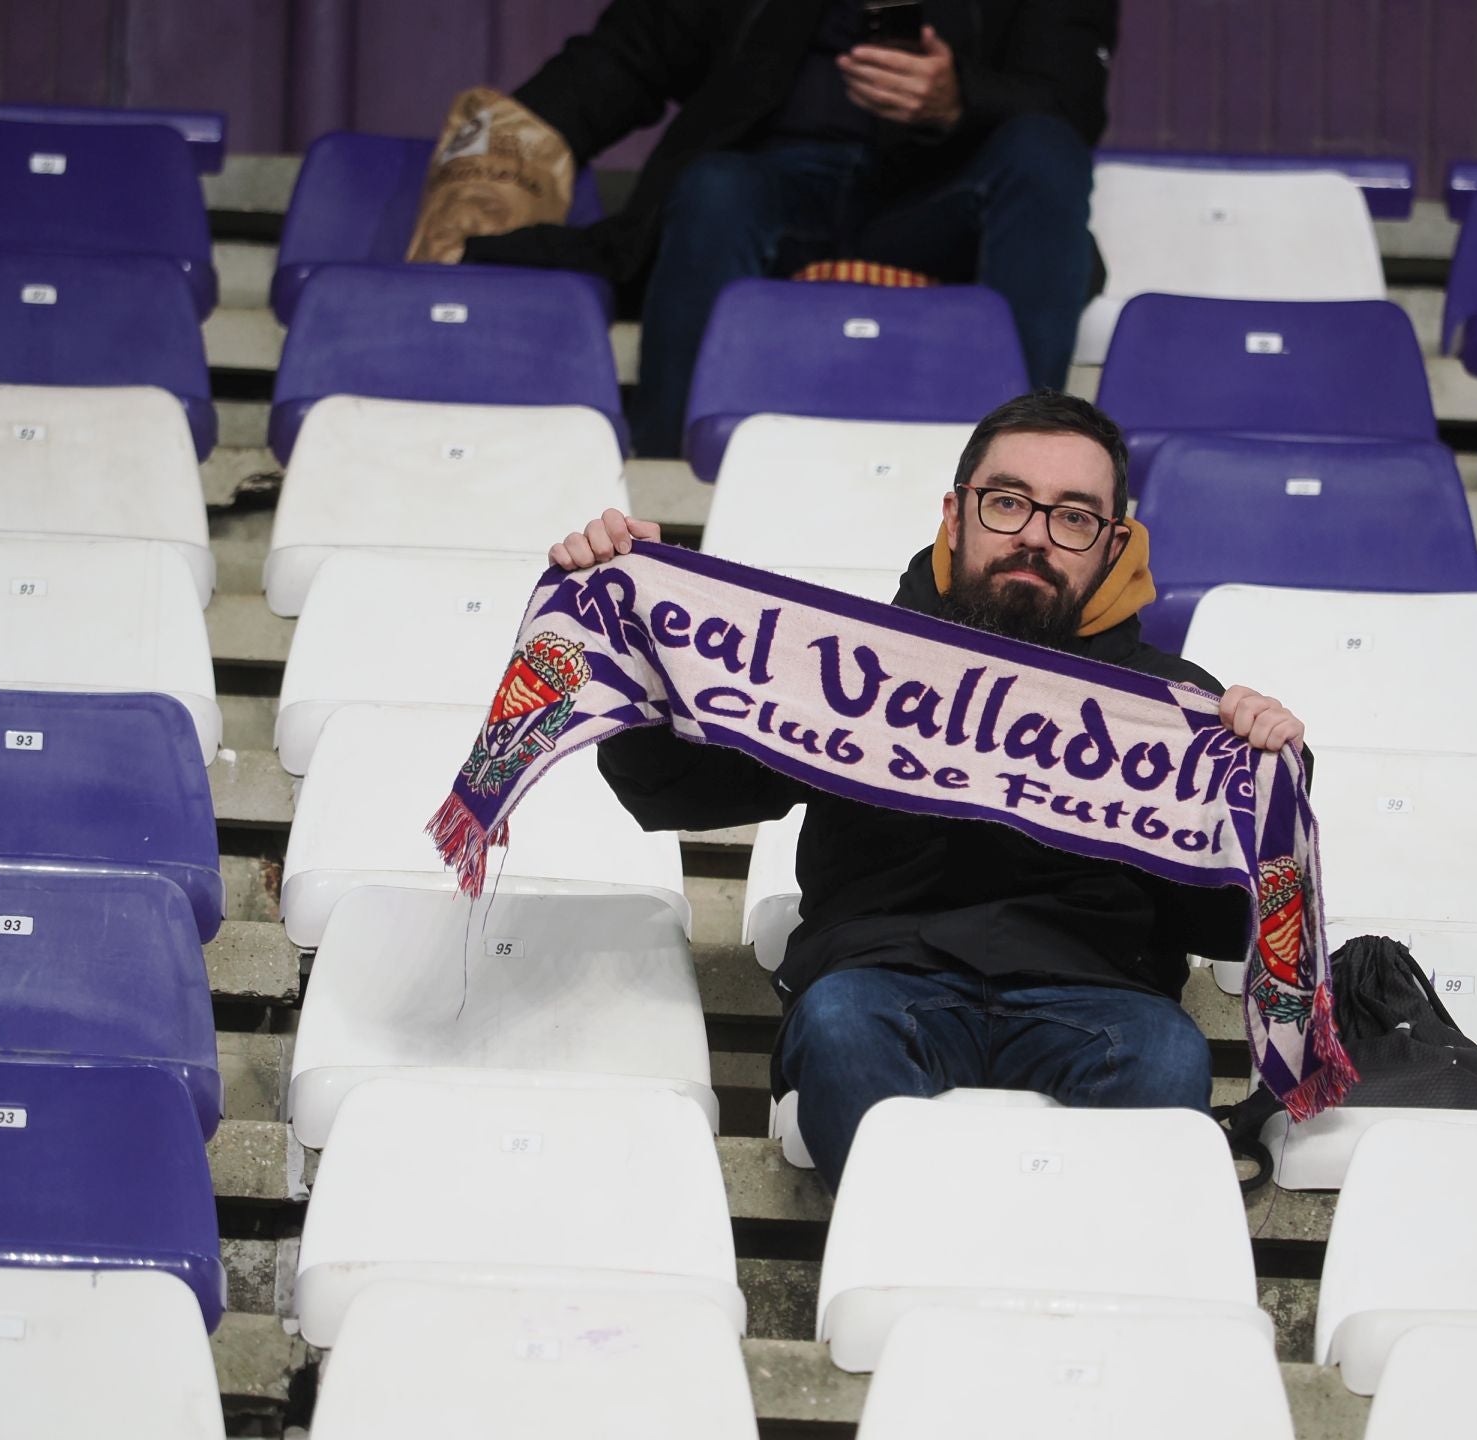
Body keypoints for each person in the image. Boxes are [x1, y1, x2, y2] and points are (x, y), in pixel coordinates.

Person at [549, 392, 1307, 1189]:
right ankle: (912, 1275)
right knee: (842, 1028)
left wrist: (1272, 785)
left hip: (1105, 1002)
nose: (1035, 539)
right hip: (879, 986)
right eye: (1009, 503)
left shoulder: (1175, 710)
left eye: (1074, 518)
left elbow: (1229, 927)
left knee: (1169, 1058)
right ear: (956, 514)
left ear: (1113, 544)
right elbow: (673, 791)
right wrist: (625, 632)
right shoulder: (849, 663)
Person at [467, 0, 1119, 456]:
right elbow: (626, 56)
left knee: (1044, 153)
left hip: (943, 207)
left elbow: (1070, 104)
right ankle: (664, 472)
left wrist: (961, 95)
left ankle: (1025, 466)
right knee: (715, 186)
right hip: (774, 192)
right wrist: (495, 154)